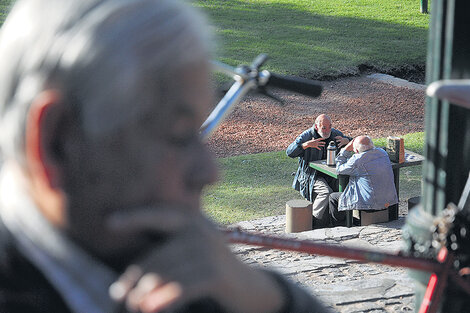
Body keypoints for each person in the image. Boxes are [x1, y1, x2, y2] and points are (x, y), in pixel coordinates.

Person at [0, 0, 333, 312]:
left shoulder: (180, 272)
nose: (209, 173)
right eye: (178, 136)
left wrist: (264, 295)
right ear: (57, 144)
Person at [286, 114, 351, 228]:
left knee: (346, 185)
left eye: (329, 127)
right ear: (316, 127)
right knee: (326, 192)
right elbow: (289, 152)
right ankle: (314, 222)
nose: (327, 130)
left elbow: (360, 142)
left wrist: (348, 141)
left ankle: (340, 220)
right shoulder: (307, 135)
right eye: (324, 128)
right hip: (311, 175)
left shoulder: (335, 134)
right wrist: (306, 145)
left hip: (331, 174)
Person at [328, 136, 399, 226]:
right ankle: (355, 220)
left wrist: (345, 150)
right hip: (389, 201)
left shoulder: (357, 160)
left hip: (370, 204)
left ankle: (342, 226)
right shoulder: (383, 153)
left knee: (333, 197)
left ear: (356, 151)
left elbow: (339, 169)